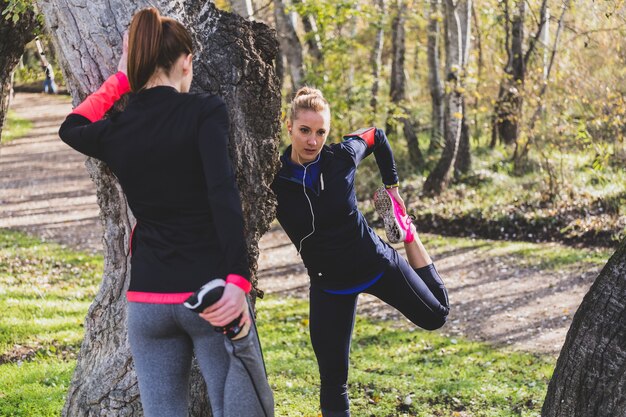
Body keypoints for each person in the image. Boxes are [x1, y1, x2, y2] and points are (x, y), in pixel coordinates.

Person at [58, 8, 273, 417]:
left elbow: (71, 127)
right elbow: (222, 193)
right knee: (242, 407)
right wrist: (237, 279)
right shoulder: (205, 111)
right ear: (186, 62)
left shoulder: (119, 126)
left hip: (146, 301)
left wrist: (121, 78)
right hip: (209, 297)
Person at [270, 87, 450, 417]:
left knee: (436, 316)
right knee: (333, 379)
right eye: (305, 131)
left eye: (320, 132)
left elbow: (376, 136)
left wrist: (391, 185)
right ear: (289, 127)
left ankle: (407, 233)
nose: (313, 141)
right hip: (328, 284)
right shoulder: (273, 177)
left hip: (376, 263)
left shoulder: (341, 156)